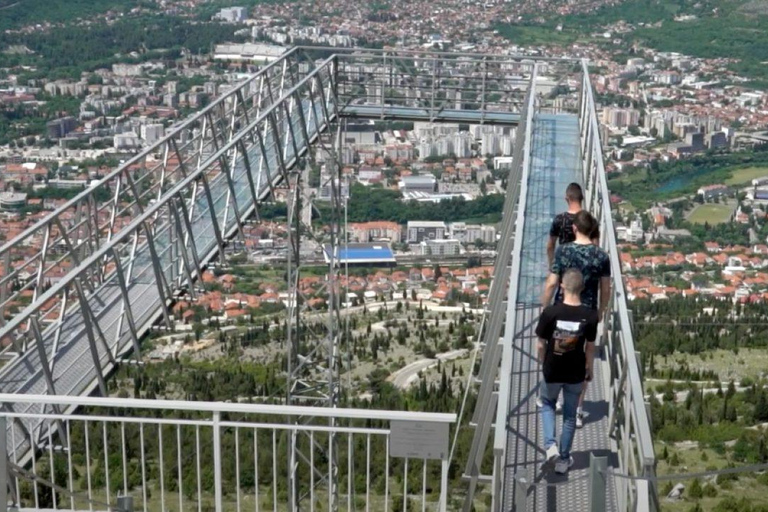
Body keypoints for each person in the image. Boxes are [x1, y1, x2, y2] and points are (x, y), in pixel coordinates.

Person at [541, 211, 610, 428]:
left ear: (574, 229)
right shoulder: (601, 256)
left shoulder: (563, 251)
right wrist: (601, 311)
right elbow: (605, 288)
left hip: (564, 309)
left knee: (561, 351)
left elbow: (552, 283)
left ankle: (558, 397)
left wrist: (545, 309)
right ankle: (578, 408)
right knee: (583, 357)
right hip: (588, 312)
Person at [536, 268, 599, 474]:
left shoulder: (550, 313)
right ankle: (563, 460)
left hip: (552, 370)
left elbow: (540, 344)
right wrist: (589, 369)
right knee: (570, 416)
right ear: (582, 288)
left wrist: (543, 363)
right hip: (575, 372)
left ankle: (550, 445)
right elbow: (590, 346)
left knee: (547, 404)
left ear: (562, 286)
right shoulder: (590, 316)